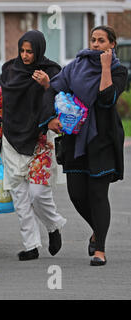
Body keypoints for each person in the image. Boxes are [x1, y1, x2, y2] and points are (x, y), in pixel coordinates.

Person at [46, 26, 128, 266]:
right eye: (93, 40)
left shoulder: (118, 71)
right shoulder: (75, 66)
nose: (95, 44)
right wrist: (51, 117)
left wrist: (105, 67)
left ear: (112, 44)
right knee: (77, 195)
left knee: (98, 194)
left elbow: (106, 99)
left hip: (102, 138)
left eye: (101, 41)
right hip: (75, 138)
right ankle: (97, 230)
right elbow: (54, 88)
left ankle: (99, 249)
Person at [0, 30, 67, 261]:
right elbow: (1, 105)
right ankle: (30, 245)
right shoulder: (10, 70)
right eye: (22, 50)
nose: (25, 55)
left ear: (39, 50)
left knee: (38, 193)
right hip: (11, 138)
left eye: (29, 51)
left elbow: (62, 100)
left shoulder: (51, 72)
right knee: (20, 196)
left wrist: (47, 85)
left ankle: (53, 226)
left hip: (40, 138)